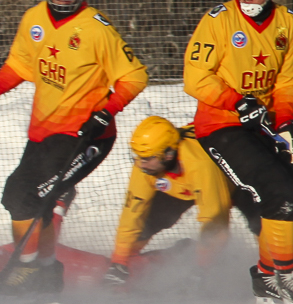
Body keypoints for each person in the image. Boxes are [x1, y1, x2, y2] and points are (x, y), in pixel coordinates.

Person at [0, 0, 147, 296]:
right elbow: (20, 63)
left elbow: (135, 76)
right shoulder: (34, 19)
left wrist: (106, 111)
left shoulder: (96, 28)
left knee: (22, 195)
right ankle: (44, 274)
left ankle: (30, 271)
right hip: (43, 133)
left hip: (85, 136)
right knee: (22, 201)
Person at [183, 0, 293, 304]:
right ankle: (286, 275)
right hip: (221, 124)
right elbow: (194, 78)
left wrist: (285, 120)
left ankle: (265, 276)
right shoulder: (217, 21)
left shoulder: (289, 24)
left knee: (288, 196)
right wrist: (237, 101)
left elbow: (290, 81)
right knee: (275, 189)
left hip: (266, 126)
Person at [104, 115, 260, 289]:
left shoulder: (200, 165)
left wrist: (202, 268)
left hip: (238, 181)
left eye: (147, 158)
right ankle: (134, 259)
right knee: (149, 220)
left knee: (262, 223)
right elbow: (133, 211)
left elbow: (215, 221)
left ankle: (272, 270)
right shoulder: (147, 162)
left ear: (168, 154)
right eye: (137, 157)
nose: (140, 164)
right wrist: (119, 261)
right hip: (183, 185)